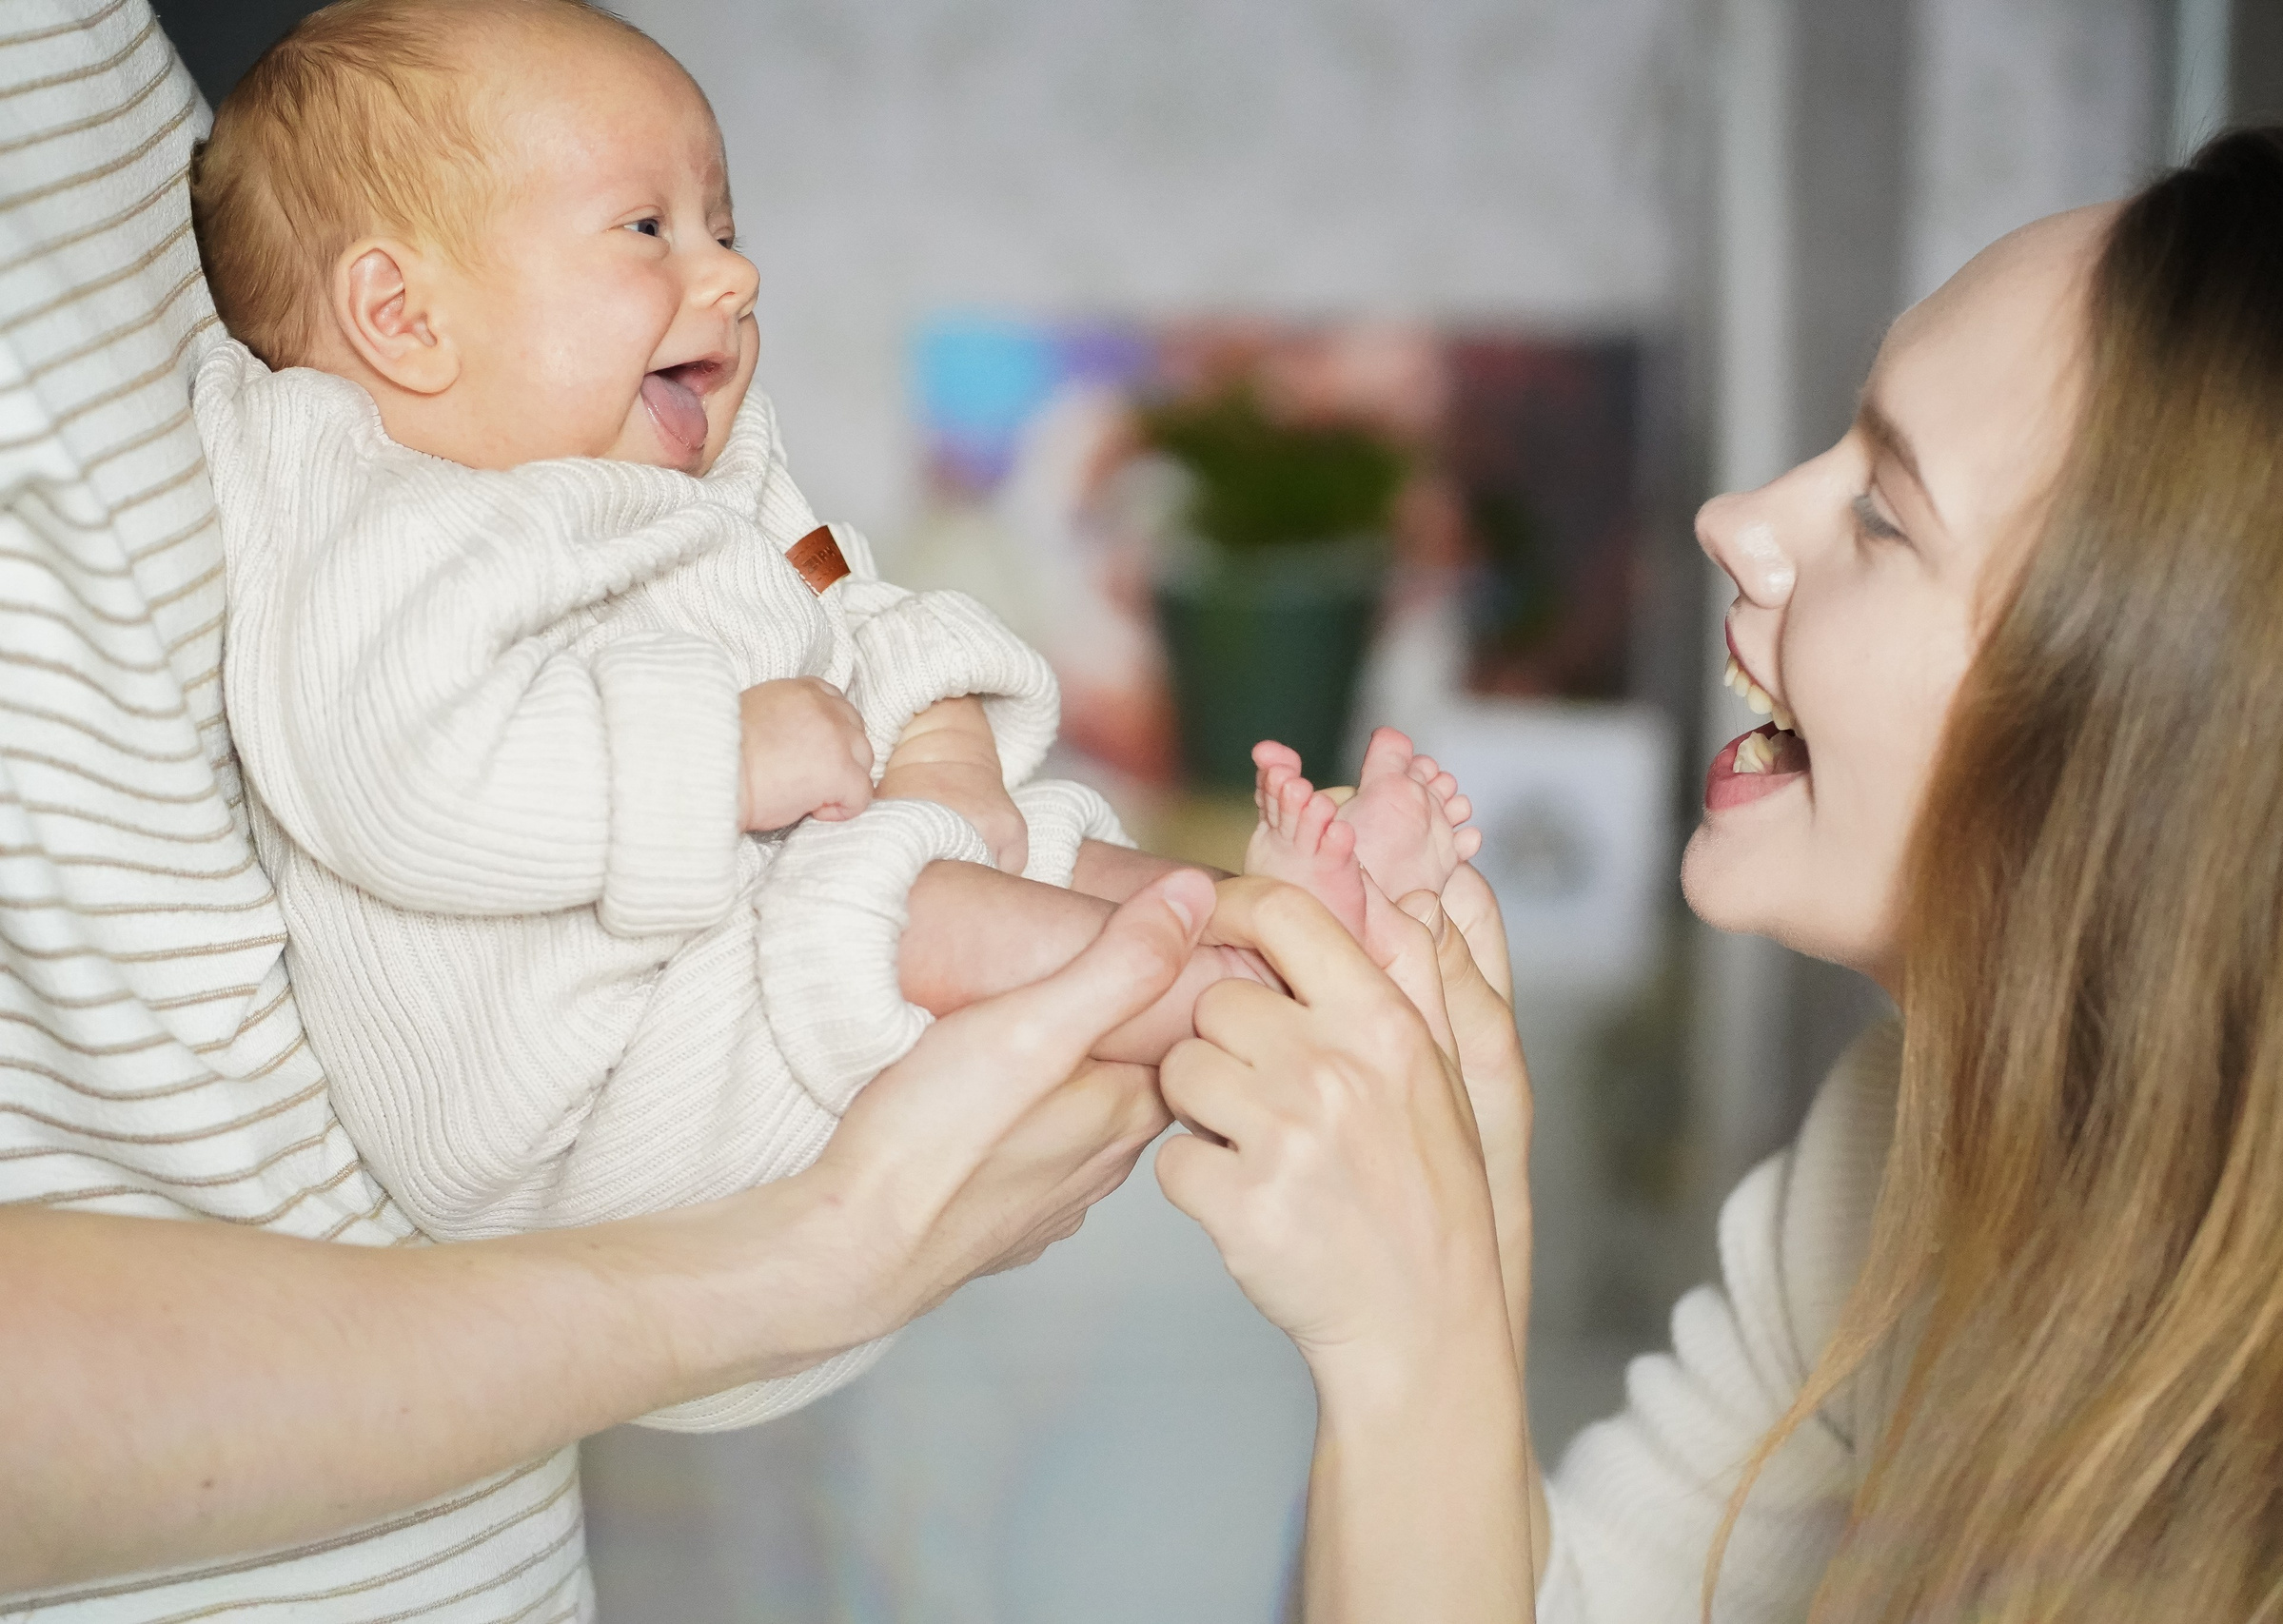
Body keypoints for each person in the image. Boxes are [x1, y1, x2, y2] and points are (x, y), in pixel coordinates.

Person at [1166, 126, 2283, 1624]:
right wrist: (1464, 1220)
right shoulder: (1891, 1158)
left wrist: (1419, 1331)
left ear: (2157, 735)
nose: (1736, 523)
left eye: (1885, 513)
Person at [185, 0, 1480, 1427]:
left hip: (737, 967)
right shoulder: (388, 530)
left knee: (1018, 842)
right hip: (586, 1107)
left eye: (722, 222)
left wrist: (935, 731)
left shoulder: (725, 489)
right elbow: (396, 770)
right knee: (898, 899)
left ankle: (1254, 912)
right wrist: (722, 757)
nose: (732, 273)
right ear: (403, 316)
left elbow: (843, 595)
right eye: (649, 231)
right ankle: (1236, 993)